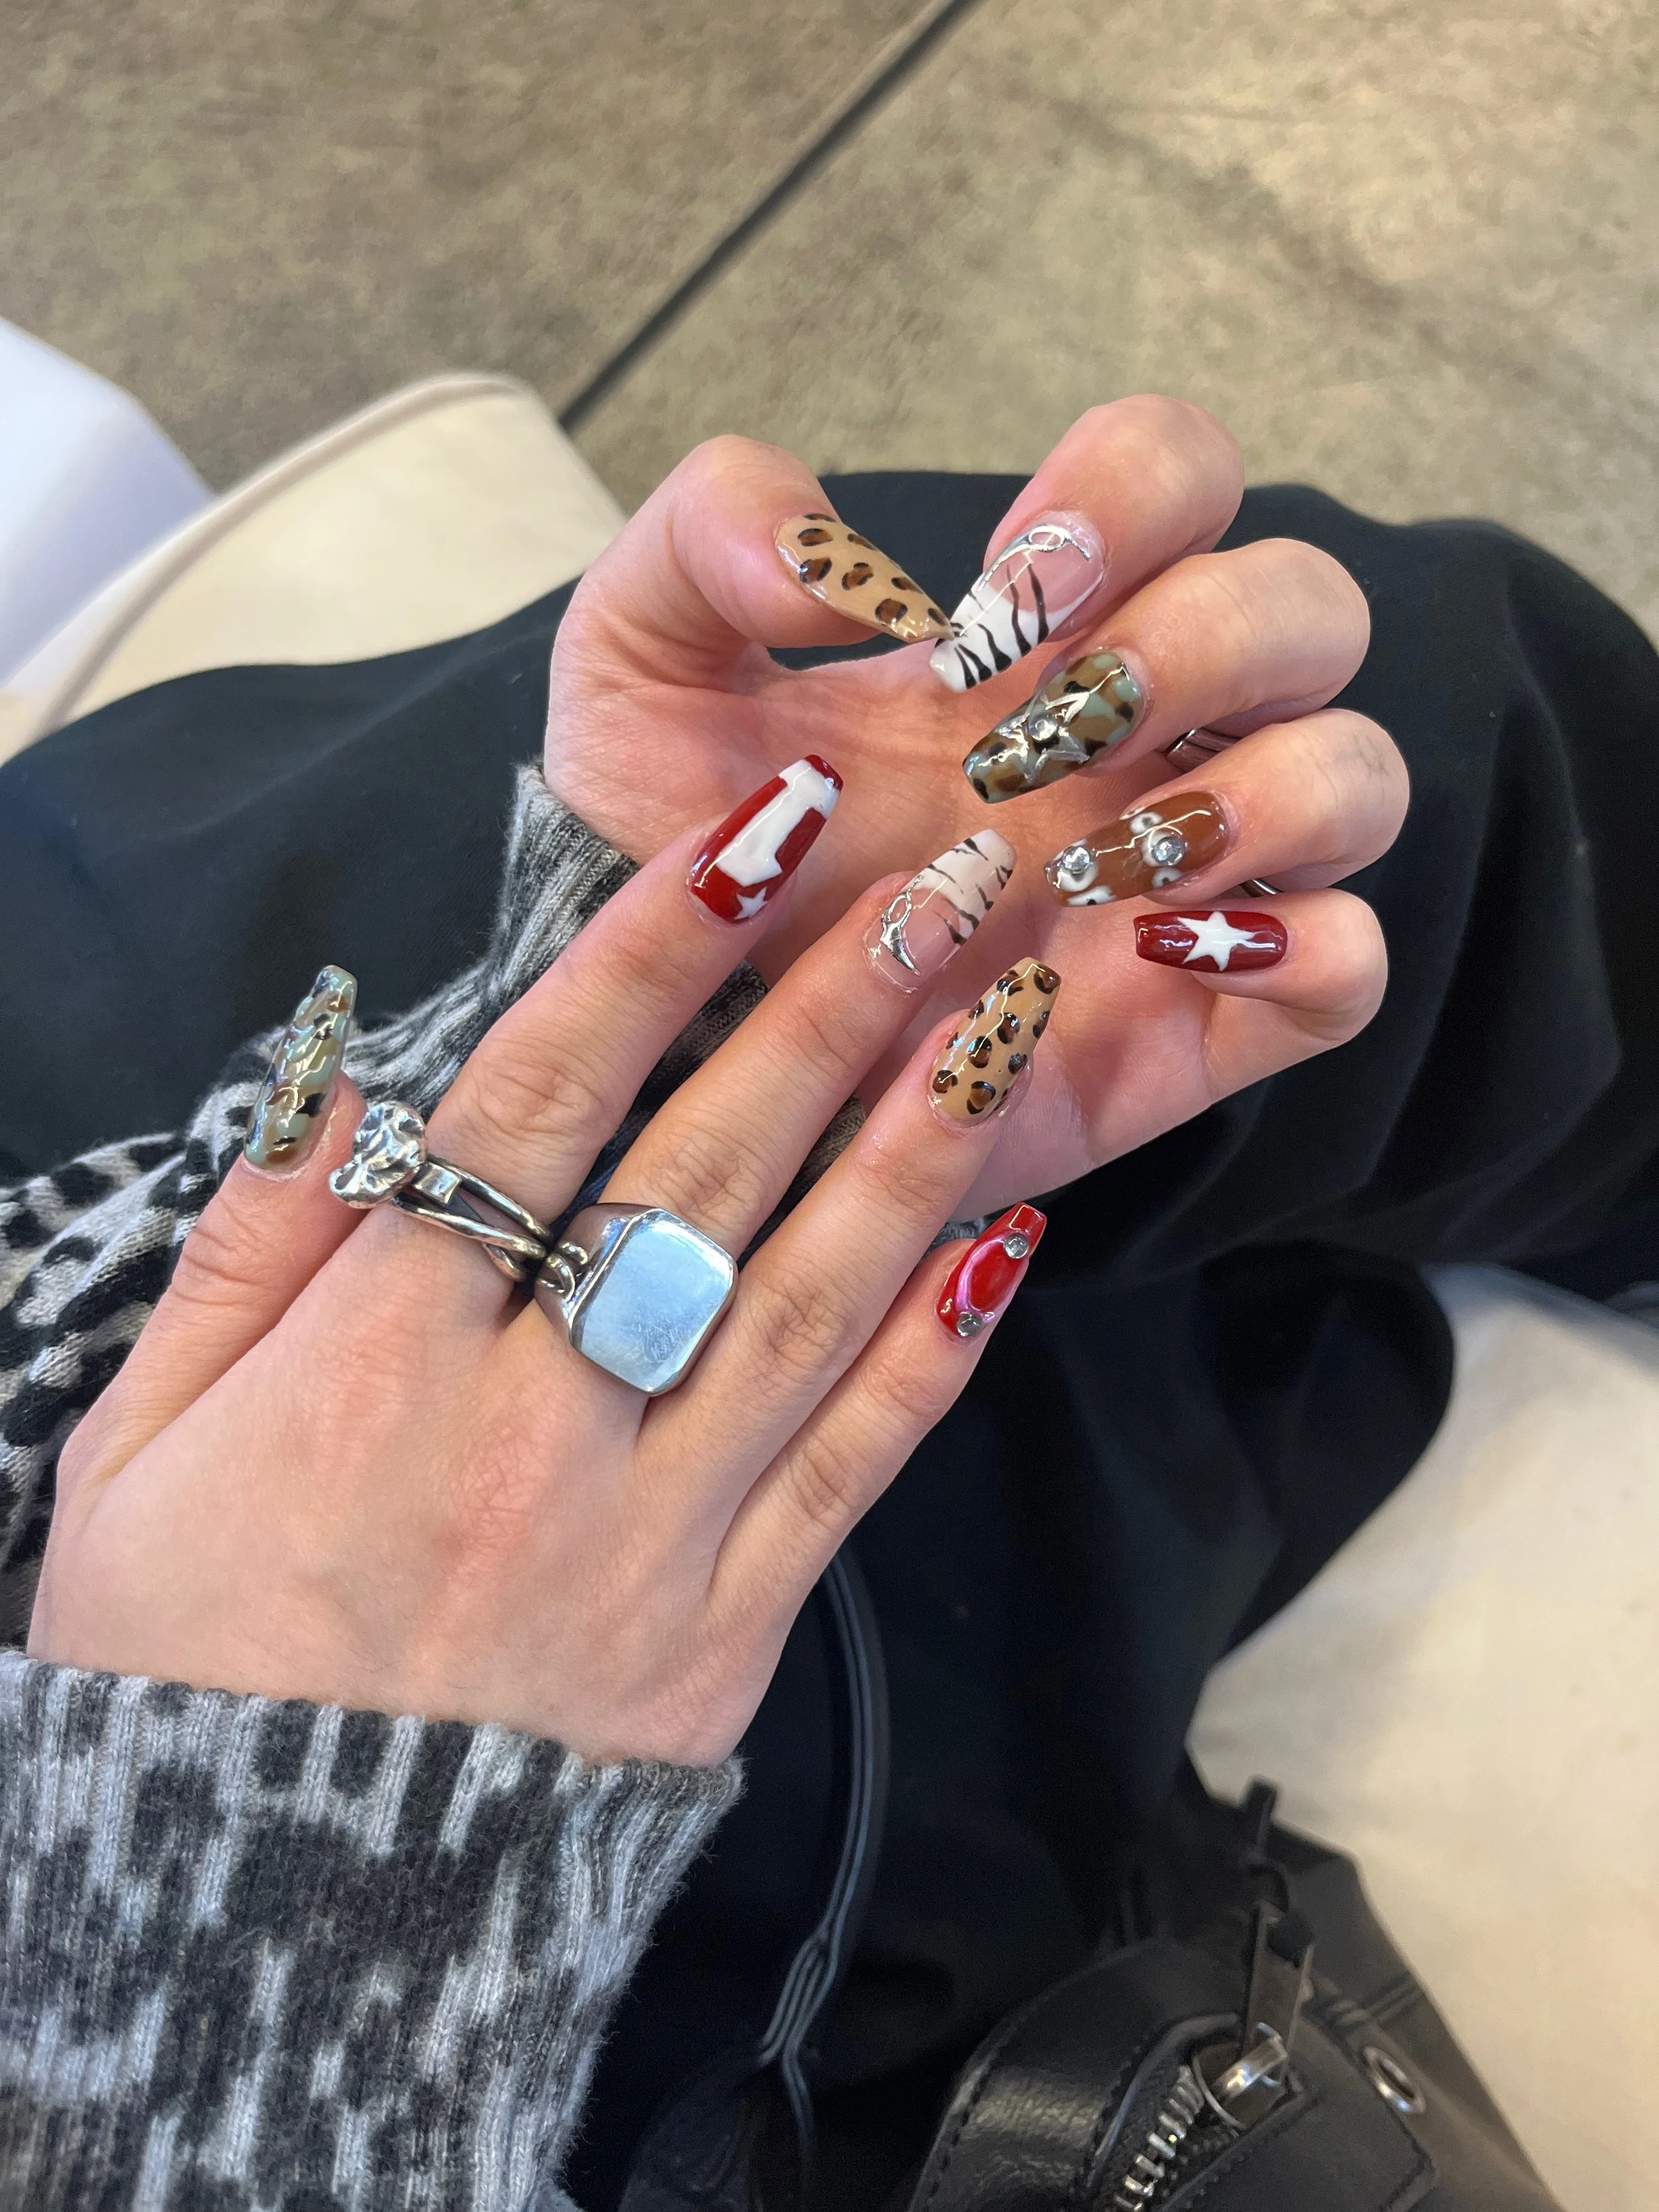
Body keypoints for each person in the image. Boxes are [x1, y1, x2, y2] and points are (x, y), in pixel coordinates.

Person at [0, 398, 1652, 2207]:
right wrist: (302, 1939)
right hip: (719, 2017)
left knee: (1240, 731)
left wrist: (635, 1057)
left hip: (115, 1248)